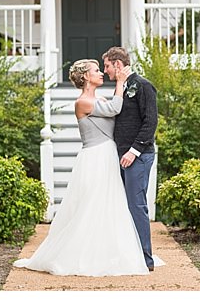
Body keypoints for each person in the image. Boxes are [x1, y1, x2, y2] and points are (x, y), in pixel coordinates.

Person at [14, 59, 151, 276]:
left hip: (107, 155)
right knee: (92, 206)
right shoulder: (82, 102)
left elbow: (118, 110)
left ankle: (108, 251)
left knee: (110, 205)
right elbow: (116, 107)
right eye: (97, 71)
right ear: (86, 76)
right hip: (95, 158)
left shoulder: (99, 99)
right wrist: (121, 82)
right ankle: (83, 253)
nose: (101, 74)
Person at [102, 46, 159, 272]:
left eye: (107, 66)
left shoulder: (144, 86)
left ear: (117, 64)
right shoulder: (120, 89)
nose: (106, 71)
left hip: (138, 156)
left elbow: (150, 122)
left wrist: (133, 151)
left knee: (136, 206)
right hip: (121, 156)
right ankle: (129, 254)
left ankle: (146, 260)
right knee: (123, 207)